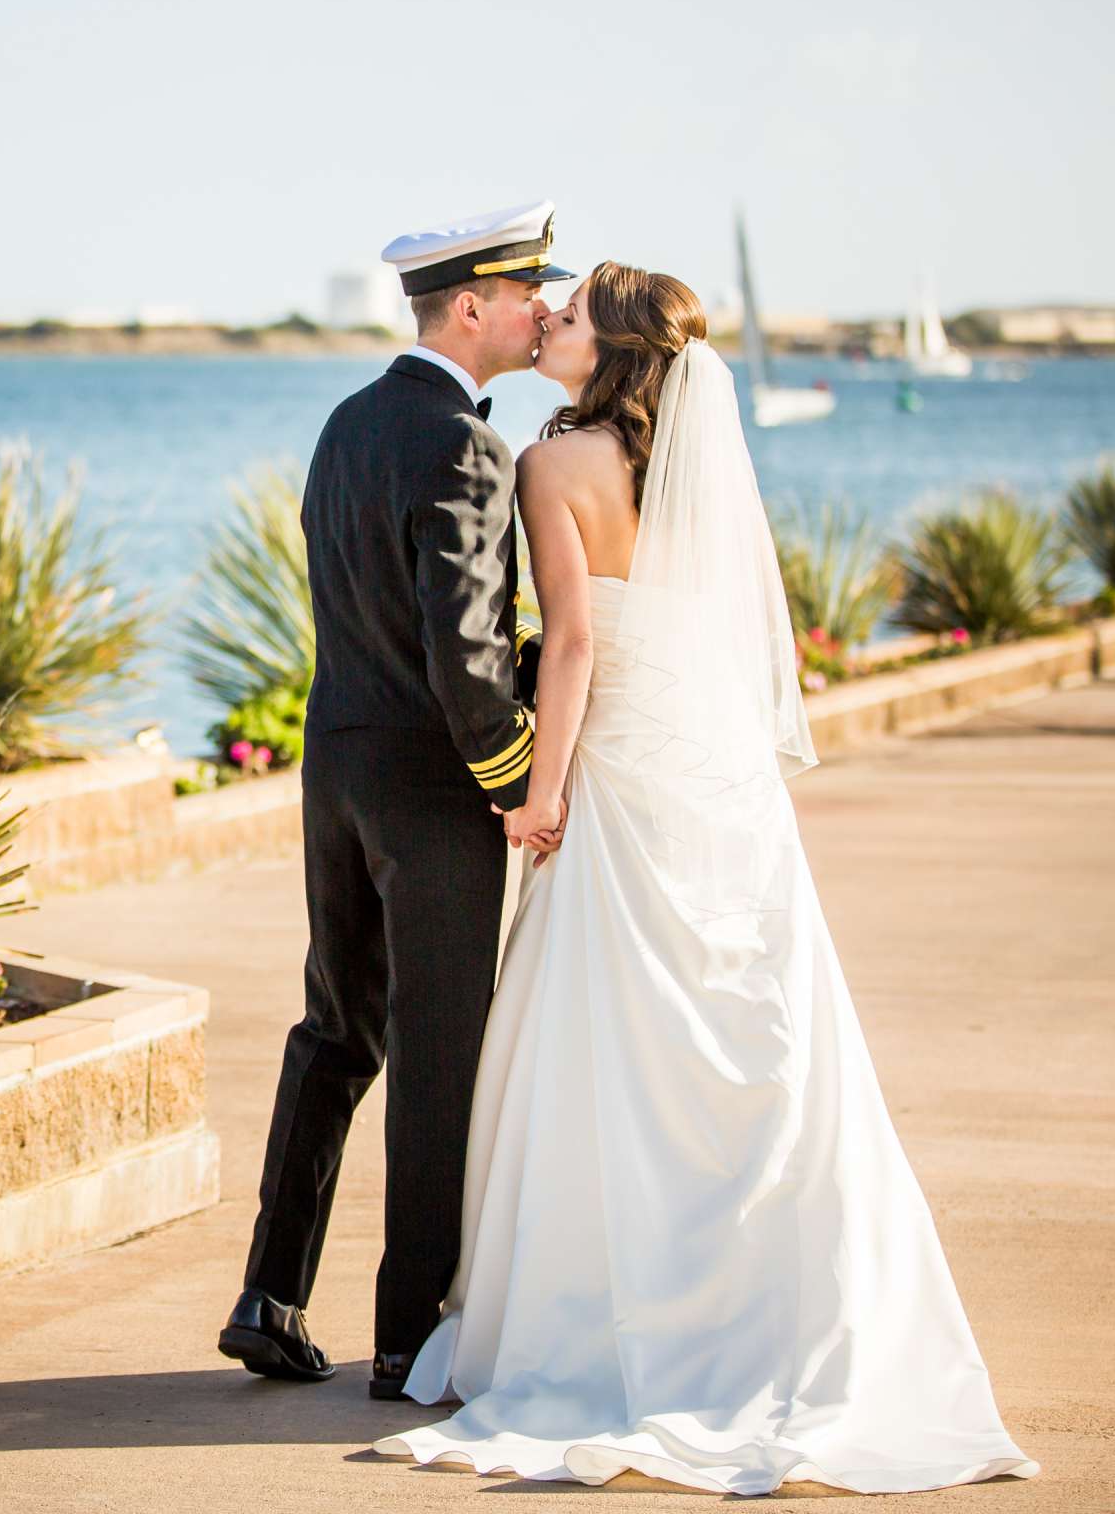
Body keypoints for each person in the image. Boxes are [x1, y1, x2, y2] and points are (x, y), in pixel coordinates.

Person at [371, 263, 1039, 1495]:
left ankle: (600, 1321)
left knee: (601, 1041)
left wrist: (544, 788)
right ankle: (776, 1316)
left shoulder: (548, 465)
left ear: (612, 350)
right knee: (755, 1034)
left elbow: (571, 643)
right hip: (717, 782)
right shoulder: (687, 466)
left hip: (624, 776)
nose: (548, 325)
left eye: (568, 318)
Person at [218, 202, 567, 1401]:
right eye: (530, 294)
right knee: (437, 1059)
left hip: (339, 776)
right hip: (433, 788)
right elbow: (467, 654)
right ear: (470, 307)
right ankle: (410, 1337)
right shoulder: (469, 448)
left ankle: (271, 1293)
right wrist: (520, 785)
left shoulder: (343, 424)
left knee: (335, 1029)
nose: (543, 311)